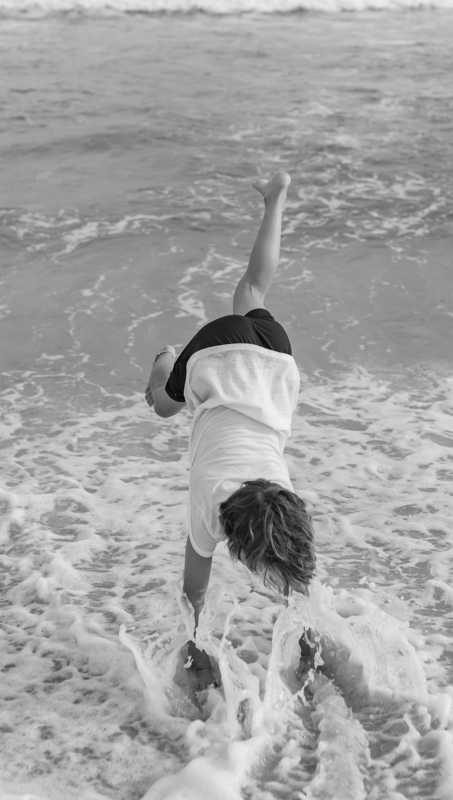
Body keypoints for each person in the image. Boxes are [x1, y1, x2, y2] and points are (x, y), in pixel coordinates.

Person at [144, 171, 316, 690]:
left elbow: (291, 568)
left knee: (251, 290)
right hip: (216, 353)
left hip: (273, 359)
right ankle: (164, 360)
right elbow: (194, 584)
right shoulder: (210, 503)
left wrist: (308, 637)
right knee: (162, 405)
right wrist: (194, 644)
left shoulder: (282, 501)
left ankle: (275, 198)